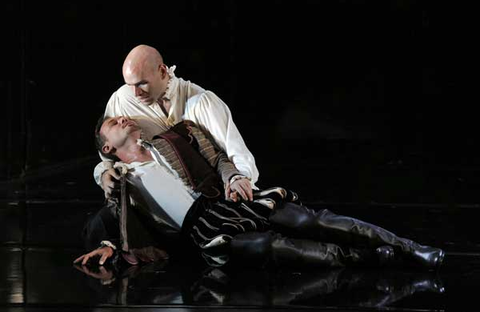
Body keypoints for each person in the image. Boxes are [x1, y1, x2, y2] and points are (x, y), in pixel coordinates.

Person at [75, 116, 445, 270]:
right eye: (112, 124)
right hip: (203, 233)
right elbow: (106, 217)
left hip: (220, 205)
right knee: (278, 249)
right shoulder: (121, 178)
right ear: (107, 148)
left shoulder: (166, 142)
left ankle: (408, 247)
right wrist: (108, 243)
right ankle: (373, 259)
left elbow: (218, 157)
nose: (121, 119)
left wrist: (234, 177)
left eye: (120, 117)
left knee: (311, 220)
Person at [94, 44, 258, 201]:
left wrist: (238, 180)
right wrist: (103, 173)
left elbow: (235, 154)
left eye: (142, 84)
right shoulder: (122, 100)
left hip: (212, 191)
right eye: (129, 85)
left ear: (163, 71)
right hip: (162, 196)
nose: (136, 93)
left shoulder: (201, 102)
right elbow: (108, 148)